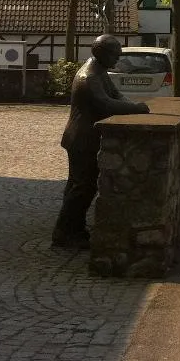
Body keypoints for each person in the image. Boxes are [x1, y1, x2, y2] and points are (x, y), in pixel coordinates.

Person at [52, 34, 150, 249]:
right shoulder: (90, 77)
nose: (118, 59)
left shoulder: (100, 71)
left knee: (82, 187)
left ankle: (73, 229)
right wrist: (138, 108)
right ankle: (64, 233)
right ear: (102, 53)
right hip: (82, 139)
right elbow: (106, 104)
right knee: (81, 187)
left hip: (87, 137)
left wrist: (133, 104)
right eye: (115, 55)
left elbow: (116, 95)